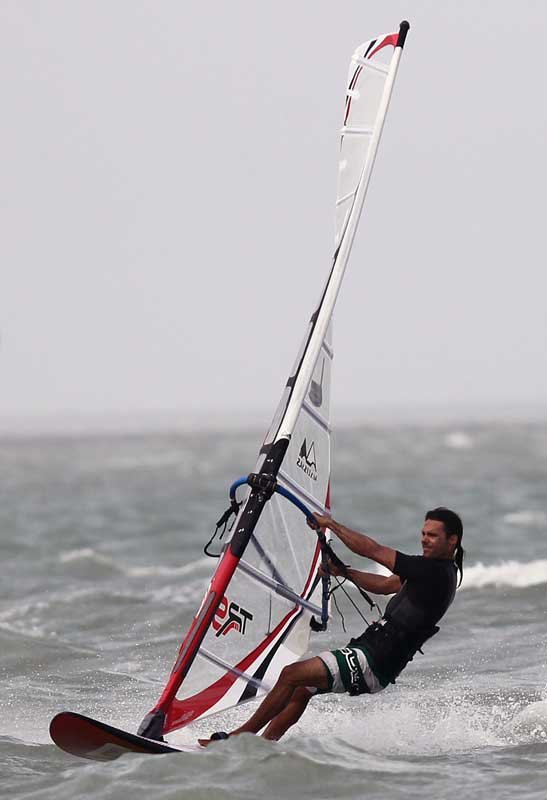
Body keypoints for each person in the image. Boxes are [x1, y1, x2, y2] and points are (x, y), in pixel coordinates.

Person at [199, 506, 464, 745]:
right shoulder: (432, 572)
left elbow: (373, 551)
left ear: (452, 540)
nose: (424, 539)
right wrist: (344, 572)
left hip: (376, 659)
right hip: (373, 653)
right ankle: (265, 745)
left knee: (291, 674)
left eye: (432, 535)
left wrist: (331, 525)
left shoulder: (435, 572)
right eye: (423, 533)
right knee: (301, 689)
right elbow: (385, 586)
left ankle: (237, 740)